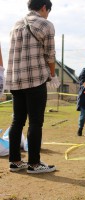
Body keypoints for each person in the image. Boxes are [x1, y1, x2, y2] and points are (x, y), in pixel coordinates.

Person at [6, 0, 58, 173]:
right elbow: (50, 55)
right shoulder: (46, 24)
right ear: (44, 8)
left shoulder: (16, 25)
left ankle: (15, 161)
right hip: (35, 79)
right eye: (48, 11)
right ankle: (34, 164)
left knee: (17, 120)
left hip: (15, 79)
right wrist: (52, 74)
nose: (47, 14)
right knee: (35, 121)